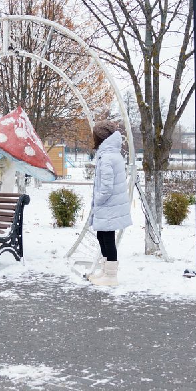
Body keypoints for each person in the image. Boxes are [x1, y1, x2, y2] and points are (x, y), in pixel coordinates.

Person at [87, 121, 132, 287]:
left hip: (108, 205)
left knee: (107, 238)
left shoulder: (106, 157)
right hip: (111, 205)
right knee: (103, 236)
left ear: (100, 138)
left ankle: (111, 275)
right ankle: (106, 271)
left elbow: (106, 187)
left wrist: (98, 200)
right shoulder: (112, 154)